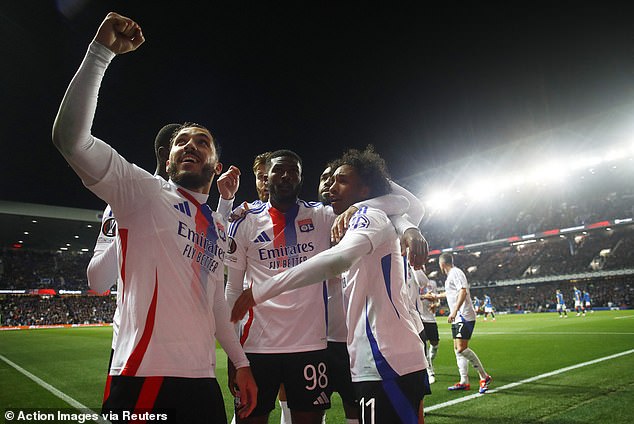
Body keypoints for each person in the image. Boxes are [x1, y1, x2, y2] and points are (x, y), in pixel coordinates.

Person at [52, 12, 256, 422]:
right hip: (144, 377)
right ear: (168, 158)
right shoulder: (143, 192)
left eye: (202, 142)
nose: (189, 146)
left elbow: (216, 302)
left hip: (202, 381)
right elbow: (70, 141)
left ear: (216, 165)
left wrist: (241, 362)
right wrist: (100, 54)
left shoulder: (217, 227)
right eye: (181, 142)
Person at [231, 146, 431, 423]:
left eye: (341, 180)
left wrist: (403, 223)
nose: (330, 186)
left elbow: (338, 259)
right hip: (352, 348)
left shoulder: (361, 216)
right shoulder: (338, 222)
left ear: (364, 188)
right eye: (328, 179)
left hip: (383, 355)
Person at [426, 253, 491, 394]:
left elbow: (463, 291)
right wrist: (437, 296)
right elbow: (451, 293)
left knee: (461, 348)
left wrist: (454, 311)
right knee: (457, 349)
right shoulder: (451, 275)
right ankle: (464, 381)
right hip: (459, 317)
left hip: (463, 315)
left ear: (442, 264)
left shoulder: (455, 272)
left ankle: (484, 376)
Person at [412, 268, 440, 384]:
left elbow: (437, 300)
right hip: (419, 317)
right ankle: (430, 372)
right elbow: (411, 298)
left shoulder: (432, 283)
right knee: (423, 346)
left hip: (430, 318)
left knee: (435, 343)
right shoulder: (412, 280)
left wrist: (435, 304)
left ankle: (430, 361)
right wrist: (424, 297)